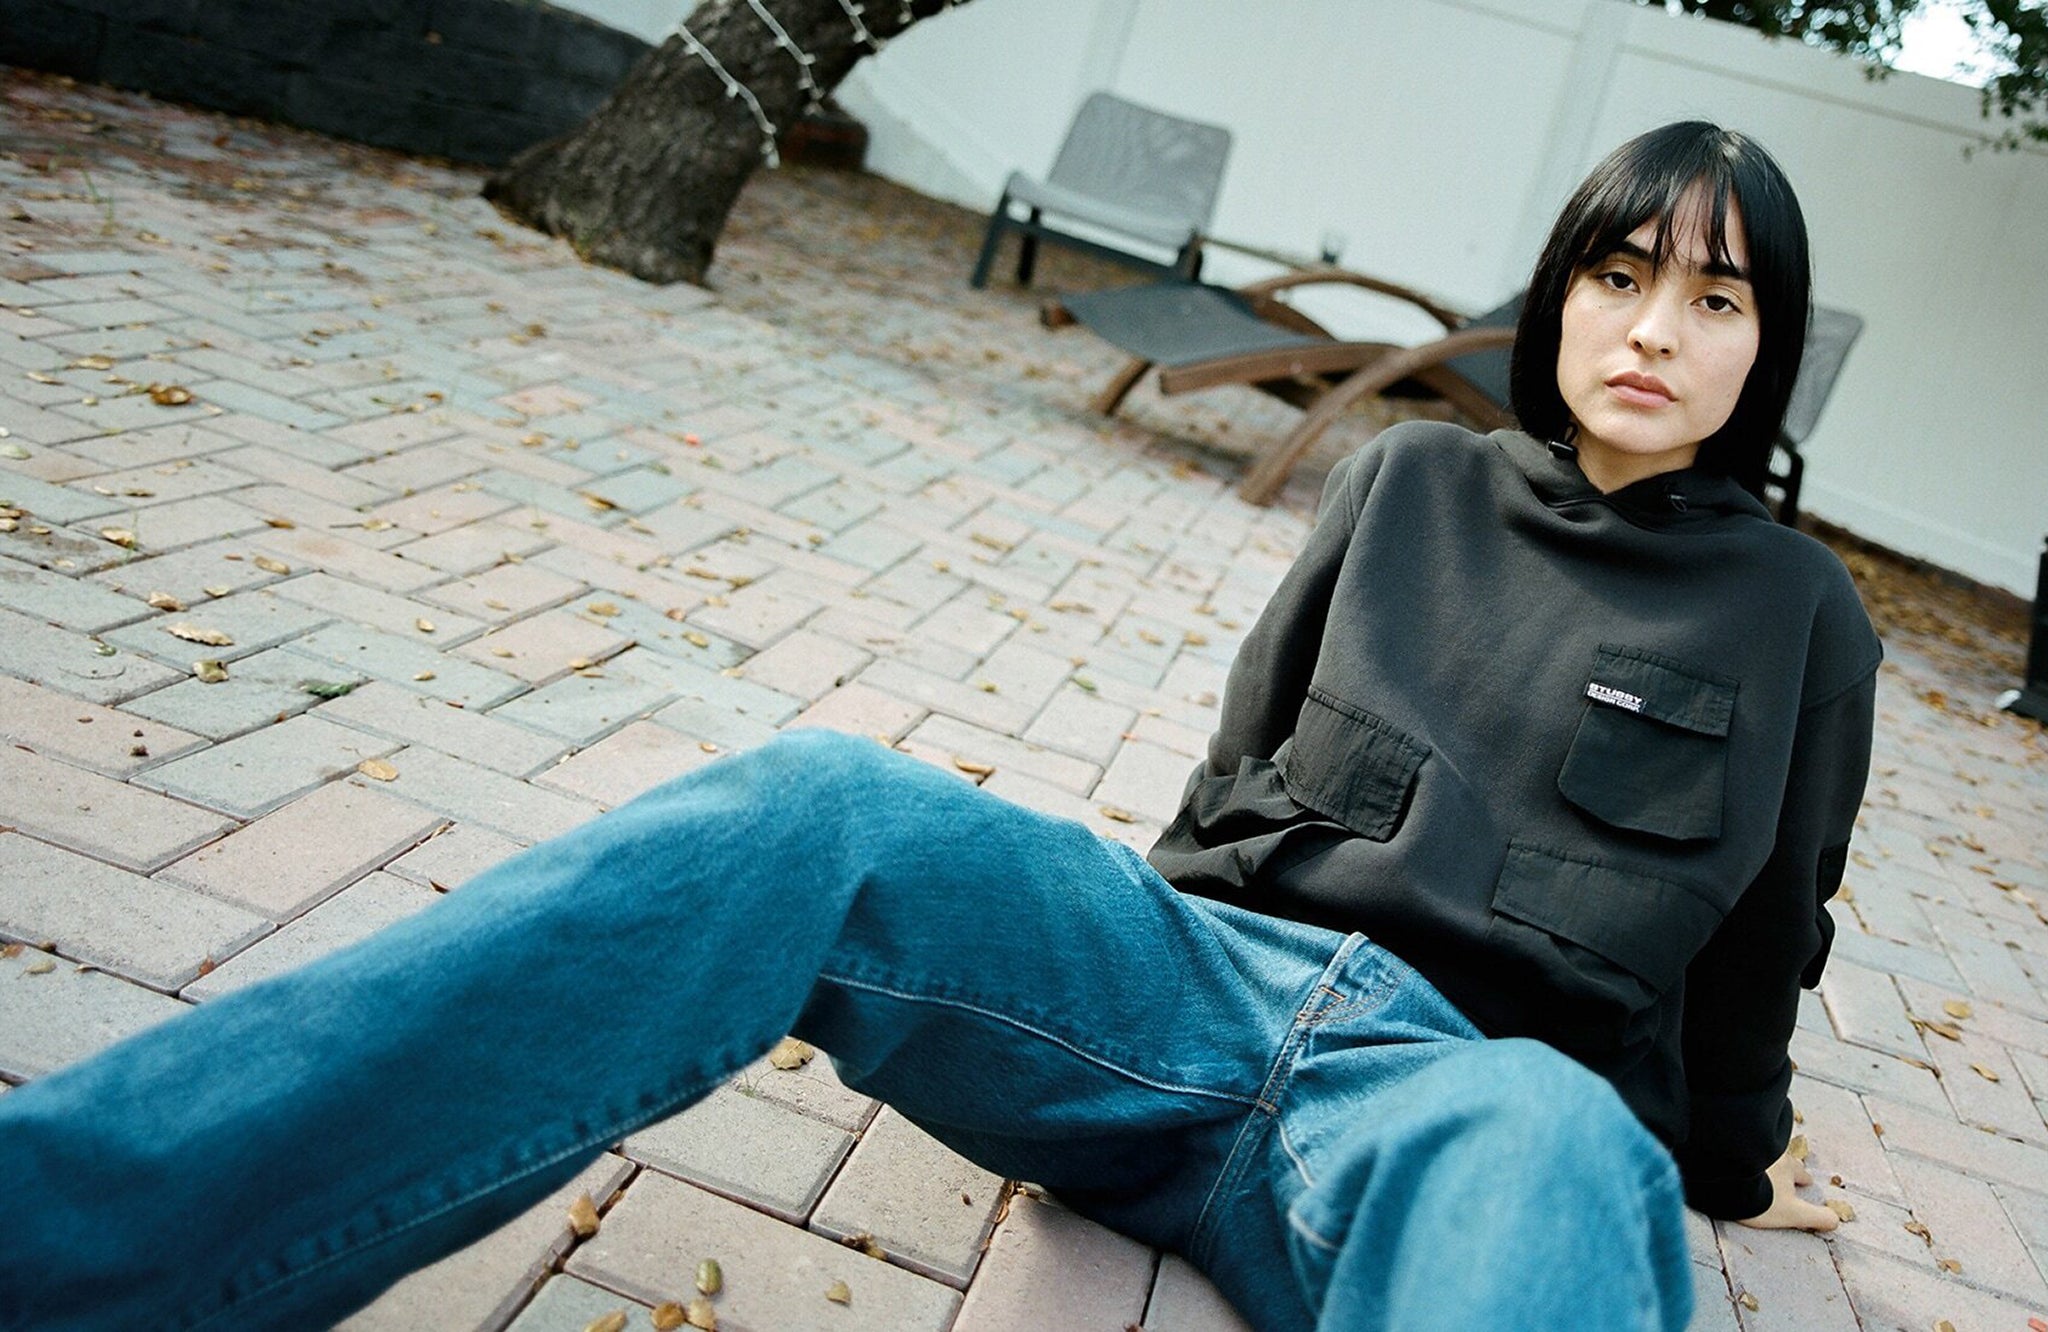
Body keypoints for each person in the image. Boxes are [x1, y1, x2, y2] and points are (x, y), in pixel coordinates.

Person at [0, 119, 1875, 1332]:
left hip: (1461, 1096)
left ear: (1761, 345)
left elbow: (1759, 953)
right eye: (1621, 278)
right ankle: (72, 1254)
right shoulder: (1406, 483)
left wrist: (1719, 1163)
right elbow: (1236, 780)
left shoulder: (1802, 619)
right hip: (1194, 997)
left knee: (1557, 1151)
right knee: (821, 806)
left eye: (1713, 298)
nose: (1653, 328)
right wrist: (1110, 989)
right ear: (1559, 301)